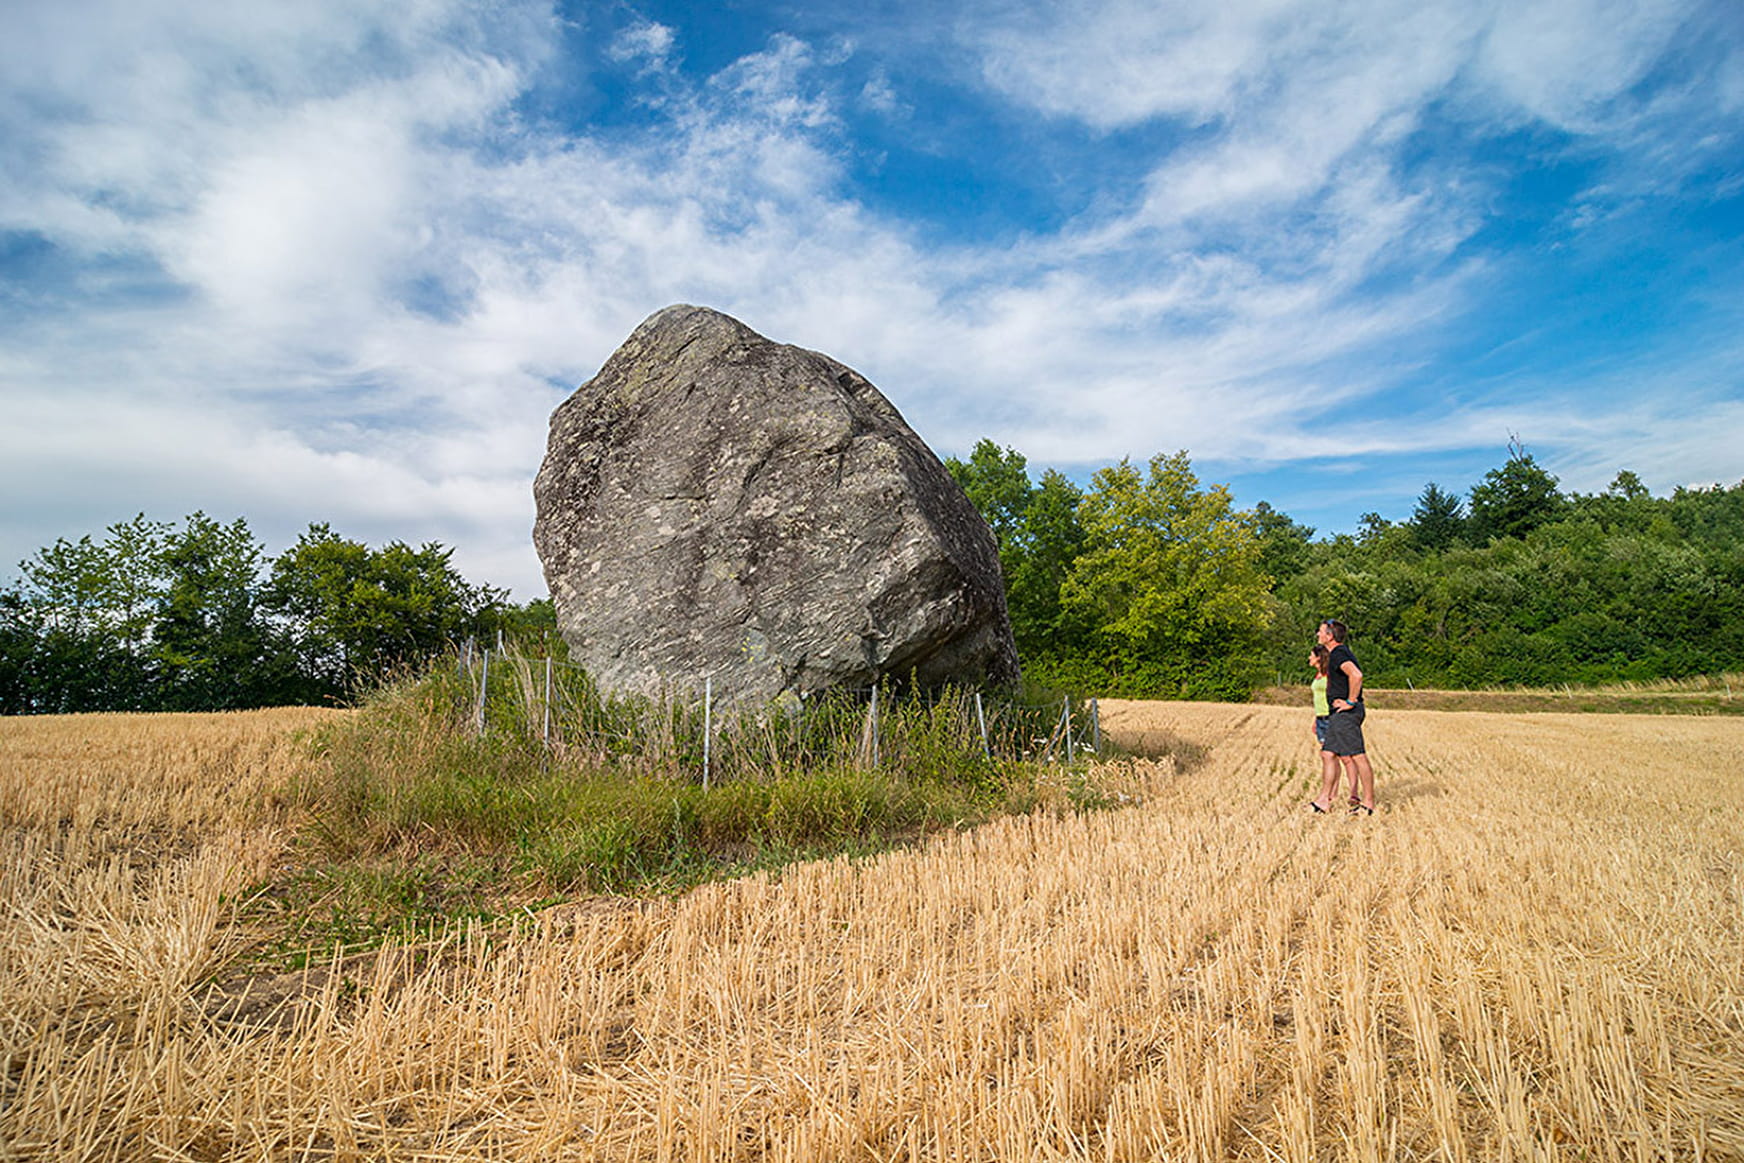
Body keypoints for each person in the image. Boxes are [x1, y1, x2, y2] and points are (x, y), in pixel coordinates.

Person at [1317, 619, 1375, 815]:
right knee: (1327, 754)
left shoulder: (1339, 653)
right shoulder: (1336, 654)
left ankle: (1368, 803)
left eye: (1320, 632)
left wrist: (1350, 701)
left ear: (1329, 636)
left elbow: (1356, 675)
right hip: (1337, 715)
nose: (1318, 635)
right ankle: (1324, 800)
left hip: (1346, 714)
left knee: (1358, 756)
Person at [1306, 645, 1342, 814]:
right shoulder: (1318, 675)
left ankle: (1328, 796)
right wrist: (1316, 718)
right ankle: (1331, 795)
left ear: (1319, 657)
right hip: (1321, 719)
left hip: (1330, 718)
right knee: (1330, 757)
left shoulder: (1330, 675)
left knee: (1330, 756)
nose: (1309, 658)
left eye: (1311, 655)